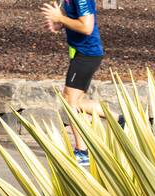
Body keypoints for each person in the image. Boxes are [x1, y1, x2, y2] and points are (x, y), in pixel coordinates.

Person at [40, 1, 105, 167]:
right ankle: (120, 119)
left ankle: (82, 152)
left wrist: (60, 17)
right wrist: (59, 24)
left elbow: (87, 27)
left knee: (70, 102)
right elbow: (71, 16)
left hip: (87, 55)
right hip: (79, 54)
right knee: (76, 103)